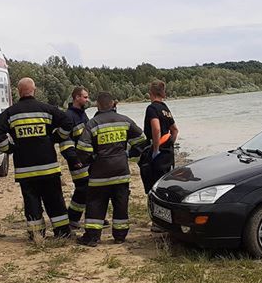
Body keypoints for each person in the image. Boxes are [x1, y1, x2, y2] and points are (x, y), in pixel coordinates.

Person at [0, 78, 76, 241]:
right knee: (55, 200)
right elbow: (67, 122)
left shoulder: (10, 113)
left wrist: (9, 148)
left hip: (25, 169)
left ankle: (37, 235)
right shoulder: (46, 109)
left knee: (32, 202)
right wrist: (56, 138)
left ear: (18, 91)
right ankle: (63, 233)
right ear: (34, 90)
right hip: (48, 167)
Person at [75, 92, 146, 246]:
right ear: (113, 104)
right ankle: (120, 236)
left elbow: (82, 149)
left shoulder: (93, 124)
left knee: (95, 204)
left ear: (98, 105)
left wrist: (90, 161)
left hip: (99, 174)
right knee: (121, 205)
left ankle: (92, 237)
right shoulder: (124, 120)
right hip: (121, 172)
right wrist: (128, 154)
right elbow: (142, 140)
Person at [139, 79, 179, 194]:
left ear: (150, 93)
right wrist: (169, 145)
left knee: (153, 187)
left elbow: (156, 129)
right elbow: (175, 130)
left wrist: (156, 150)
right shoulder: (165, 108)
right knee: (165, 184)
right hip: (168, 154)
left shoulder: (152, 108)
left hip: (157, 153)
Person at [61, 86, 91, 228]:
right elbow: (65, 141)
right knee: (82, 188)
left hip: (87, 158)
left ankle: (92, 216)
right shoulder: (69, 116)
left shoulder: (82, 114)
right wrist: (73, 159)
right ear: (76, 97)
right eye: (85, 97)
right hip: (78, 160)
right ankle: (72, 217)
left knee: (90, 188)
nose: (87, 99)